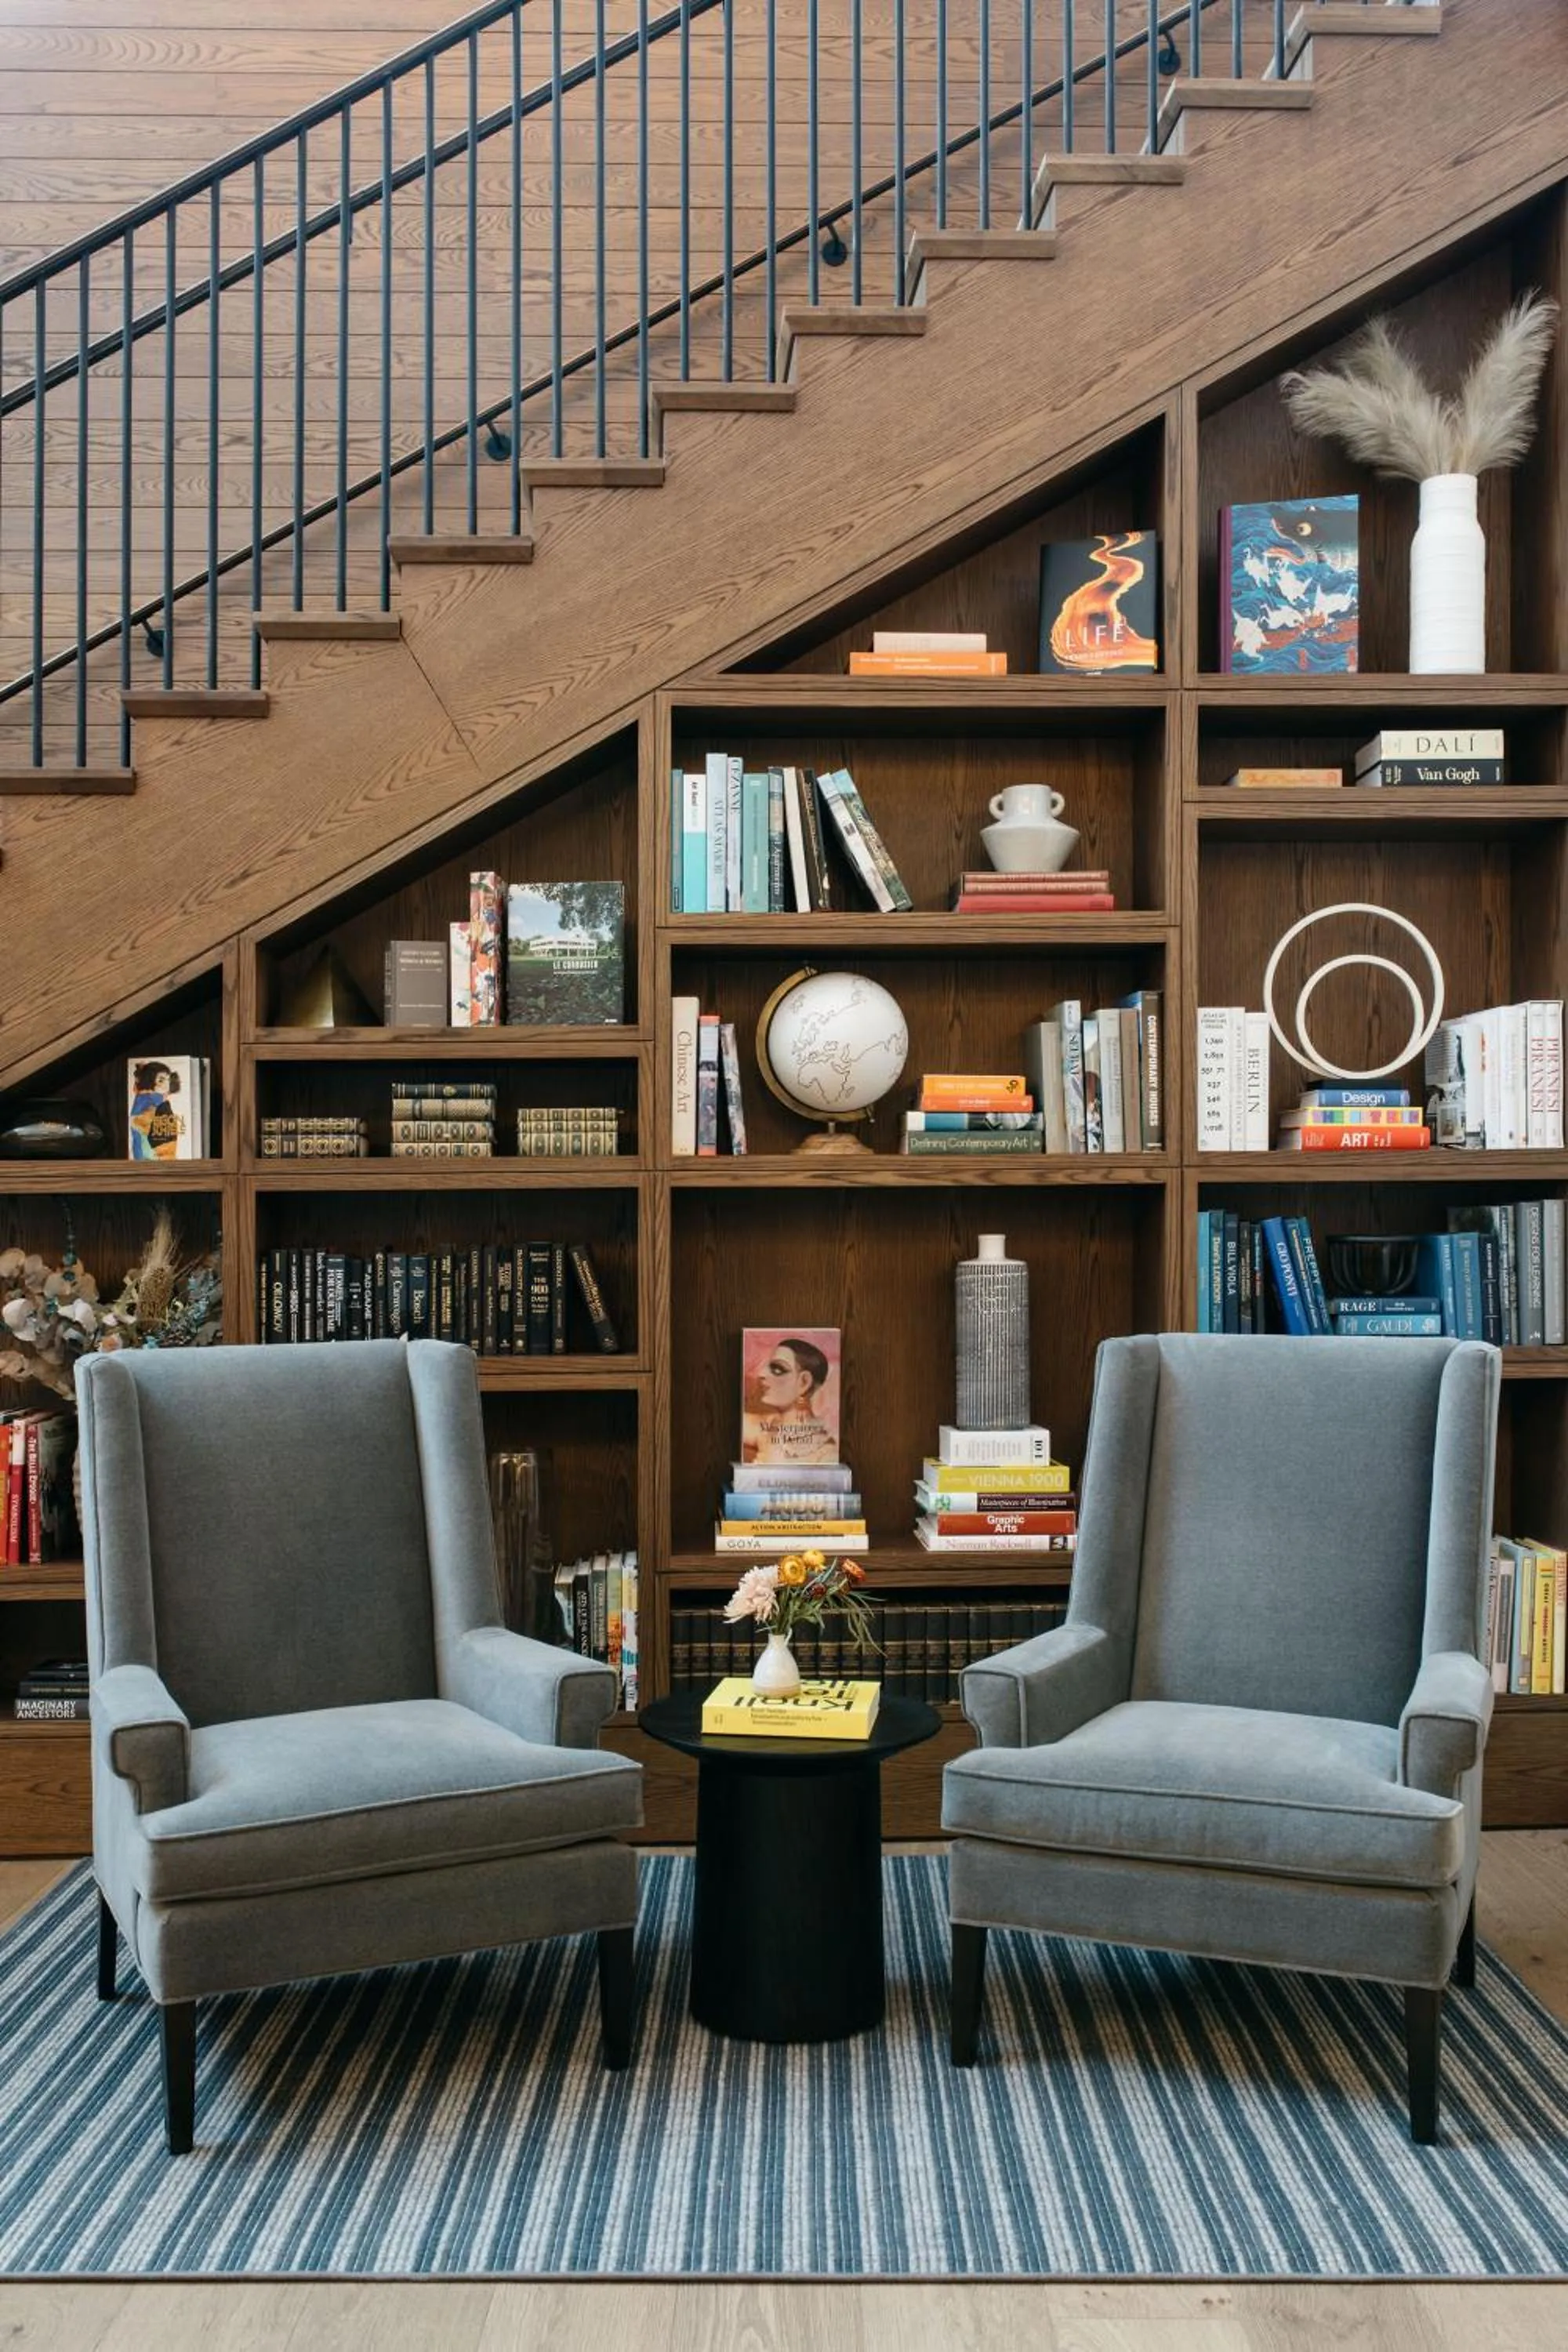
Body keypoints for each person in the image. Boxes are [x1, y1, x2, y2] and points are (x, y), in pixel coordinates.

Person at [742, 1334, 837, 1465]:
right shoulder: (767, 1426)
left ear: (804, 1382)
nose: (761, 1374)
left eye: (777, 1369)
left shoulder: (826, 1453)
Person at [128, 1061, 183, 1161]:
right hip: (150, 1155)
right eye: (161, 1080)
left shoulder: (146, 1097)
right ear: (150, 1081)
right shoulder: (151, 1099)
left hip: (147, 1153)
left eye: (167, 1079)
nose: (166, 1084)